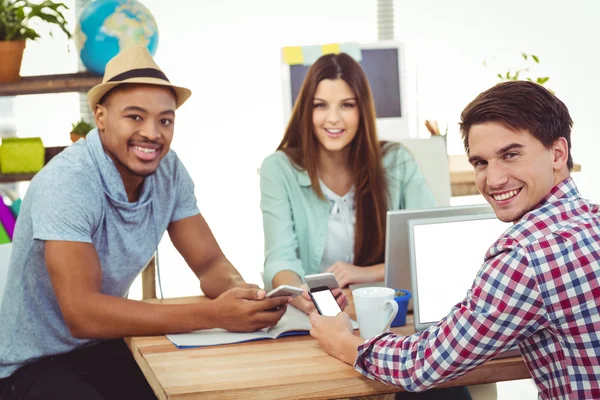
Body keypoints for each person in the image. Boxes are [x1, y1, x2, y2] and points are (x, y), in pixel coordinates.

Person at [0, 47, 290, 400]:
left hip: (107, 345)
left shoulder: (169, 171)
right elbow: (83, 313)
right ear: (100, 117)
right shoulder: (68, 181)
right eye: (135, 117)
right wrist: (214, 313)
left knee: (203, 388)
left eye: (164, 120)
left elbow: (210, 263)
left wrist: (245, 296)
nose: (152, 133)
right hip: (33, 365)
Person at [309, 80, 600, 399]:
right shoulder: (591, 219)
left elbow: (418, 366)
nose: (494, 179)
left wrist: (343, 341)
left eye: (511, 154)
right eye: (481, 162)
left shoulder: (527, 256)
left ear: (558, 153)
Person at [260, 53, 435, 315]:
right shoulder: (278, 168)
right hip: (315, 316)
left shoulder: (397, 162)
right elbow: (280, 257)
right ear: (306, 110)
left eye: (347, 105)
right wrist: (299, 295)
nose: (333, 119)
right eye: (320, 105)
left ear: (362, 109)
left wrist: (362, 273)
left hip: (386, 310)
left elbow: (428, 245)